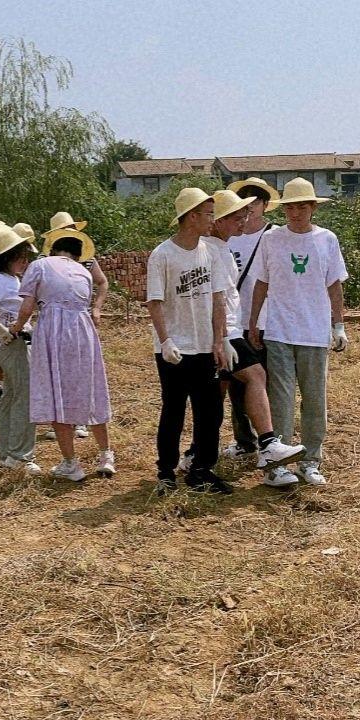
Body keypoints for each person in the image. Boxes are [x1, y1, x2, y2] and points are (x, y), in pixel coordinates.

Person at [247, 177, 348, 488]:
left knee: (315, 400)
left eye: (302, 205)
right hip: (279, 330)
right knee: (281, 398)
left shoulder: (327, 239)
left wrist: (339, 325)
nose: (296, 211)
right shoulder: (272, 239)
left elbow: (334, 285)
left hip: (315, 331)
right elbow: (261, 283)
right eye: (290, 206)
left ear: (313, 207)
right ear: (283, 209)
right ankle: (278, 464)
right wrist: (254, 322)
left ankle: (310, 460)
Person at [207, 190, 305, 472]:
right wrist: (222, 337)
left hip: (232, 329)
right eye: (238, 217)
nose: (243, 221)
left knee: (225, 388)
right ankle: (266, 444)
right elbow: (213, 299)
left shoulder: (221, 247)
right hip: (223, 332)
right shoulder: (210, 250)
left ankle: (208, 449)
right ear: (221, 220)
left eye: (247, 214)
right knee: (250, 378)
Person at [145, 188, 232, 495]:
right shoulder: (163, 255)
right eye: (209, 213)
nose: (213, 219)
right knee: (174, 410)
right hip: (174, 350)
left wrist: (220, 342)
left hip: (205, 346)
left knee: (209, 411)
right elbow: (155, 302)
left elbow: (218, 298)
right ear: (192, 216)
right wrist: (165, 340)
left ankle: (202, 471)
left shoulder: (210, 251)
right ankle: (166, 472)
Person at [13, 228, 114, 481]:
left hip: (53, 331)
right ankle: (106, 455)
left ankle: (71, 463)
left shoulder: (40, 265)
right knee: (90, 388)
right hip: (83, 331)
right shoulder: (83, 271)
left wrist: (13, 330)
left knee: (56, 390)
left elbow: (27, 306)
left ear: (52, 249)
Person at [223, 178, 280, 459]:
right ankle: (244, 441)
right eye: (245, 202)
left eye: (256, 202)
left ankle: (269, 440)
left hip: (265, 319)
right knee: (235, 384)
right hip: (233, 321)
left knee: (264, 381)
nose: (251, 208)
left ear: (266, 205)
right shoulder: (229, 236)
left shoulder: (275, 235)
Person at [0, 227, 39, 472]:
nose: (25, 261)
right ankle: (20, 455)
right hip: (13, 342)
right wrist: (0, 328)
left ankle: (6, 453)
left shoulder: (12, 279)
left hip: (14, 340)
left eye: (26, 257)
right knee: (25, 396)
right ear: (7, 257)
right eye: (20, 257)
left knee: (12, 396)